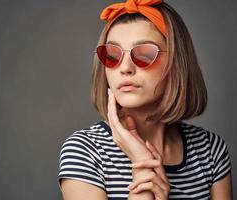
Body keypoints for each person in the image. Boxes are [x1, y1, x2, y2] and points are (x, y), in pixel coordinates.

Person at [57, 0, 233, 199]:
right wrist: (143, 172)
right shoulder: (84, 151)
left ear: (177, 62)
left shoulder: (210, 150)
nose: (125, 68)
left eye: (144, 54)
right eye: (112, 55)